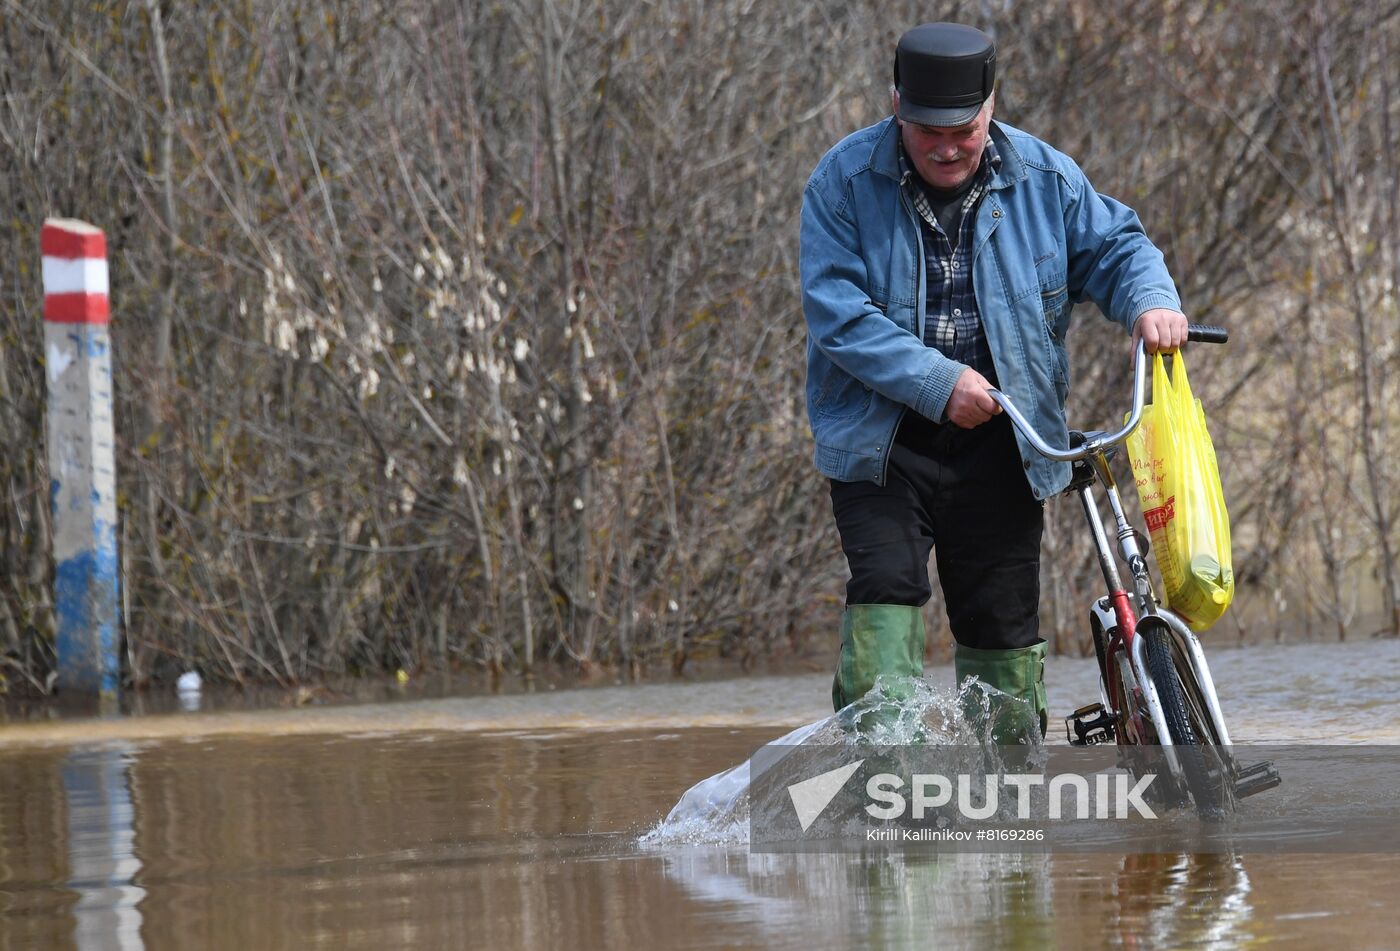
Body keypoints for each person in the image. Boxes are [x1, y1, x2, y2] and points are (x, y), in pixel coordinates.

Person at [800, 22, 1188, 738]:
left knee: (1001, 622)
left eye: (964, 130)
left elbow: (1119, 247)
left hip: (1006, 439)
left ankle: (1005, 813)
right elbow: (838, 315)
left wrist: (1152, 302)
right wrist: (939, 382)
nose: (947, 147)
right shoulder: (843, 183)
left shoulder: (1047, 180)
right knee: (888, 586)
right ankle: (887, 798)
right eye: (926, 131)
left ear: (991, 107)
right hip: (882, 443)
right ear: (895, 106)